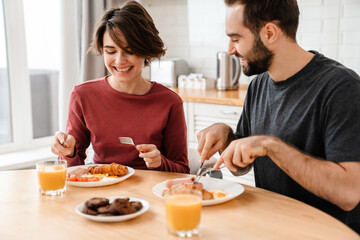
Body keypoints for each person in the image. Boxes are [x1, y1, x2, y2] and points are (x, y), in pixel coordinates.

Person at [197, 0, 360, 233]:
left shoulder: (342, 87)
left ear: (270, 33)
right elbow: (240, 167)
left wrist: (270, 145)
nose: (230, 50)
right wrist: (226, 137)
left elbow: (349, 194)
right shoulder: (258, 86)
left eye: (235, 39)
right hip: (272, 227)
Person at [51, 1, 189, 173]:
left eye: (130, 50)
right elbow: (71, 170)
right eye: (111, 51)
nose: (119, 61)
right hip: (102, 192)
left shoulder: (169, 102)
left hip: (150, 194)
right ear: (102, 51)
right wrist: (69, 152)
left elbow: (182, 170)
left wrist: (160, 162)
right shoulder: (83, 95)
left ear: (146, 50)